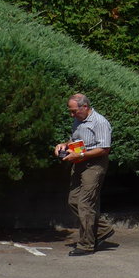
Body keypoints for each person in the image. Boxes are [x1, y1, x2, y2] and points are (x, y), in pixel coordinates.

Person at [55, 94, 115, 256]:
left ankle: (86, 244)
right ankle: (103, 229)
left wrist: (80, 156)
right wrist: (64, 145)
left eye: (74, 111)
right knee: (73, 200)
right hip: (79, 162)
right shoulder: (78, 121)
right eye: (71, 112)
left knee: (85, 203)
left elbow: (104, 148)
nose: (72, 115)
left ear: (85, 107)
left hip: (94, 165)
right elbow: (75, 140)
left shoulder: (100, 122)